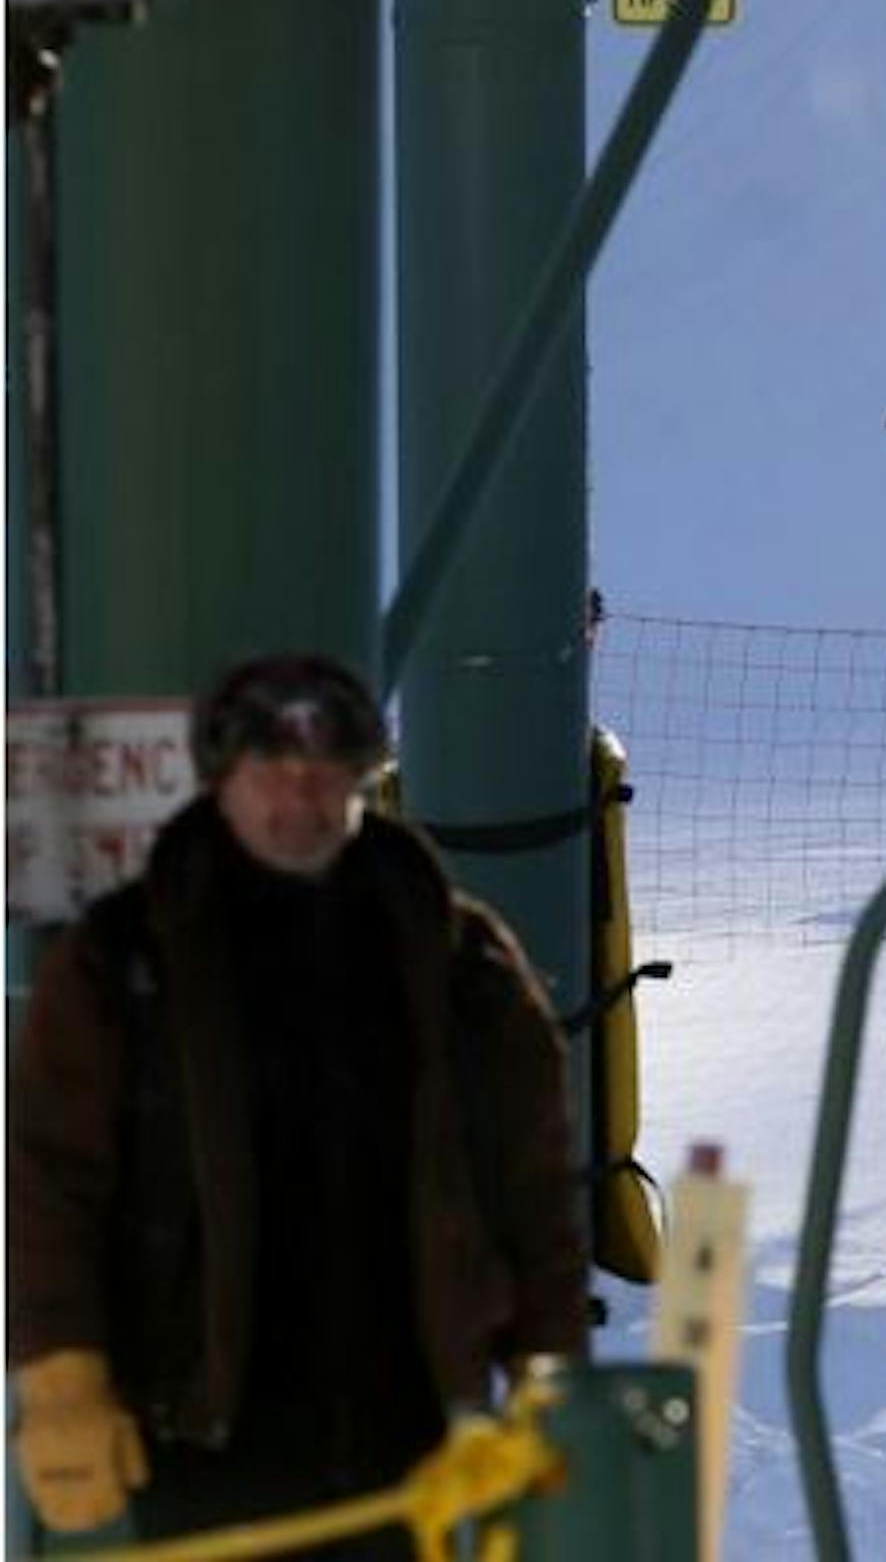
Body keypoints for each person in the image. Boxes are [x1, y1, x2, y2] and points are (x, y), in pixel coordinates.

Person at [6, 654, 589, 1555]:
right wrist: (61, 1377)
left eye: (324, 778)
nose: (297, 800)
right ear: (220, 782)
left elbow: (534, 1184)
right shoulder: (122, 962)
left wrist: (551, 1373)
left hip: (407, 1438)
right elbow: (47, 1182)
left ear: (362, 783)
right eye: (270, 775)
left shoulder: (457, 959)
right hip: (197, 1434)